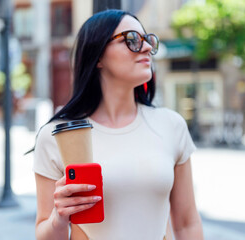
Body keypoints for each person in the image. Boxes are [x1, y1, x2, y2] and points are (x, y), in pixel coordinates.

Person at [33, 9, 203, 240]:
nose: (145, 48)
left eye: (148, 40)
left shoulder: (171, 125)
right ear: (98, 56)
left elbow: (187, 224)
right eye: (131, 40)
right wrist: (58, 217)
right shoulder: (57, 135)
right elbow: (44, 232)